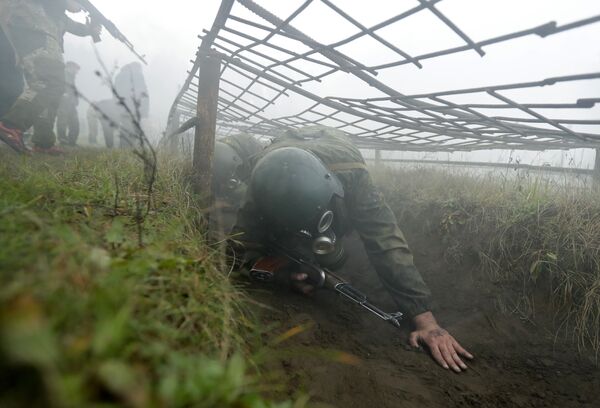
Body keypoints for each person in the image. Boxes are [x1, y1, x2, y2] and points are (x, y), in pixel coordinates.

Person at [230, 126, 474, 372]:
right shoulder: (259, 189)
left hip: (336, 163)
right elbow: (240, 249)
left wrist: (426, 322)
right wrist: (280, 273)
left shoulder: (355, 178)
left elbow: (386, 242)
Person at [0, 0, 100, 154]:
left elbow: (73, 26)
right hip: (35, 33)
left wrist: (90, 29)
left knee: (51, 91)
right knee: (50, 83)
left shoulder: (57, 14)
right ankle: (11, 125)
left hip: (39, 37)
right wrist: (67, 3)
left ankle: (43, 141)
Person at [113, 62, 149, 148]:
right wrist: (144, 110)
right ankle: (127, 148)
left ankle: (125, 148)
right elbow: (143, 93)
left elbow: (115, 93)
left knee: (127, 127)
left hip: (123, 107)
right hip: (134, 108)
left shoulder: (119, 76)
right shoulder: (137, 76)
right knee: (133, 128)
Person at [56, 60, 80, 146]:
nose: (77, 72)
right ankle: (63, 140)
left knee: (74, 122)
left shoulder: (71, 77)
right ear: (70, 67)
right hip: (64, 101)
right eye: (76, 69)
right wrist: (63, 94)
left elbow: (73, 89)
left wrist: (76, 100)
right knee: (63, 120)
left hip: (71, 102)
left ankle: (72, 141)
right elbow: (60, 86)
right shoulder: (63, 74)